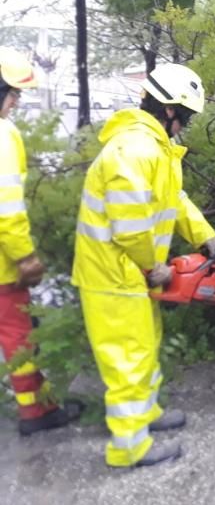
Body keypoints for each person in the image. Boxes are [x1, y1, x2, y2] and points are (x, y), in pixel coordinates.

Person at [72, 63, 215, 467]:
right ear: (169, 110)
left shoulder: (154, 148)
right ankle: (129, 448)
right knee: (128, 359)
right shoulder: (134, 150)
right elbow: (130, 225)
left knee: (145, 346)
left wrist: (206, 236)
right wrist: (152, 265)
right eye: (186, 116)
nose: (186, 124)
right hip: (112, 275)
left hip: (129, 274)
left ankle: (146, 414)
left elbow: (174, 200)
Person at [0, 47, 83, 435]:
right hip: (3, 269)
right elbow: (7, 213)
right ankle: (37, 413)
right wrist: (25, 258)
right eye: (13, 93)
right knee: (21, 337)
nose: (16, 102)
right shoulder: (2, 135)